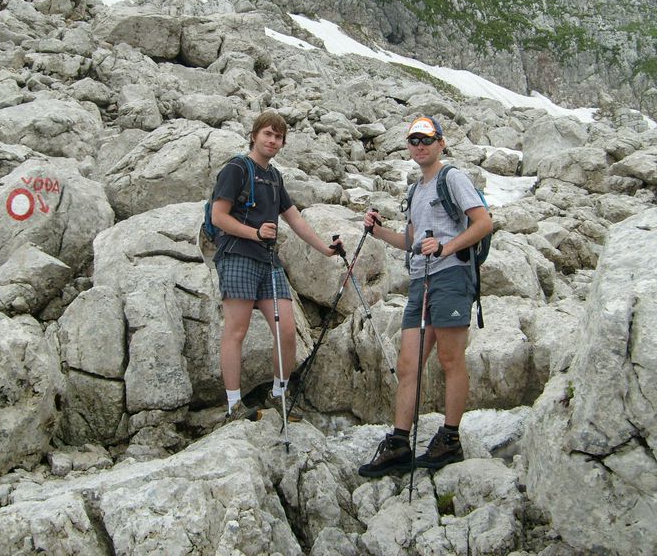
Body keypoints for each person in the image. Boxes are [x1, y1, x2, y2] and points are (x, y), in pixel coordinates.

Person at [358, 116, 492, 476]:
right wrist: (377, 231)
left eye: (427, 140)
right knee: (408, 365)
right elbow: (411, 243)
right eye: (414, 140)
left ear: (441, 144)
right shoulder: (415, 190)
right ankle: (400, 443)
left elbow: (483, 223)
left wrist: (446, 247)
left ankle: (450, 439)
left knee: (450, 360)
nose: (419, 146)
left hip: (450, 276)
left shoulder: (454, 179)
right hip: (421, 280)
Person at [211, 111, 343, 424]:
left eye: (278, 137)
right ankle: (233, 406)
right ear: (254, 135)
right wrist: (255, 233)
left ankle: (278, 396)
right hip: (238, 255)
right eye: (268, 134)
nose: (272, 141)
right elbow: (219, 216)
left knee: (286, 330)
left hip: (268, 262)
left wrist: (325, 249)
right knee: (236, 330)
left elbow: (294, 217)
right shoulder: (236, 169)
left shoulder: (274, 176)